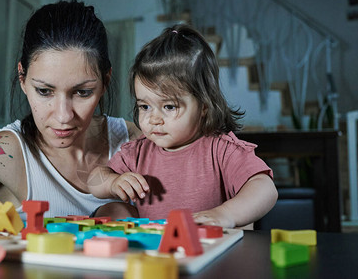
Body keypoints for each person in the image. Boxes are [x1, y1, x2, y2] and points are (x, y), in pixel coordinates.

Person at [0, 0, 142, 236]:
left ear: (106, 82)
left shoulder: (138, 142)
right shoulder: (2, 153)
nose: (63, 116)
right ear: (22, 78)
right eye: (44, 91)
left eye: (82, 92)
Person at [88, 24, 278, 228]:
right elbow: (93, 180)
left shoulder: (221, 149)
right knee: (111, 210)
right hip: (155, 248)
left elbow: (265, 188)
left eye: (169, 106)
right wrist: (112, 182)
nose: (154, 119)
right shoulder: (138, 151)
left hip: (208, 247)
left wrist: (225, 215)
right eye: (144, 106)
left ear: (204, 106)